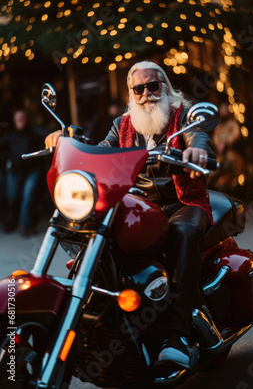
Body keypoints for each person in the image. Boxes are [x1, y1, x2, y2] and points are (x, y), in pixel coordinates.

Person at [45, 61, 216, 379]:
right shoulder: (122, 125)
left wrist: (198, 151)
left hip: (182, 201)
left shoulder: (182, 117)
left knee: (185, 232)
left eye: (153, 86)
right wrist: (65, 140)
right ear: (131, 94)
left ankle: (176, 334)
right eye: (139, 89)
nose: (147, 94)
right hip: (140, 207)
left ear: (165, 86)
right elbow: (97, 153)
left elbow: (198, 137)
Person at [0, 109, 47, 237]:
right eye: (17, 118)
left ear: (26, 119)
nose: (20, 120)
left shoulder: (33, 131)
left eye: (22, 117)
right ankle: (13, 221)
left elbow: (47, 135)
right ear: (14, 121)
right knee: (12, 197)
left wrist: (56, 135)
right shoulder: (11, 135)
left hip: (32, 171)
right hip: (14, 172)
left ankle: (24, 225)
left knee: (28, 195)